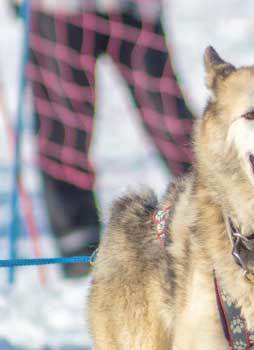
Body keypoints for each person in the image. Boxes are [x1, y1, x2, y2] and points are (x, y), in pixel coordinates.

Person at [12, 0, 194, 276]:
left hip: (133, 8)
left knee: (171, 120)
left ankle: (213, 211)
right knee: (64, 128)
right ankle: (77, 243)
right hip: (59, 9)